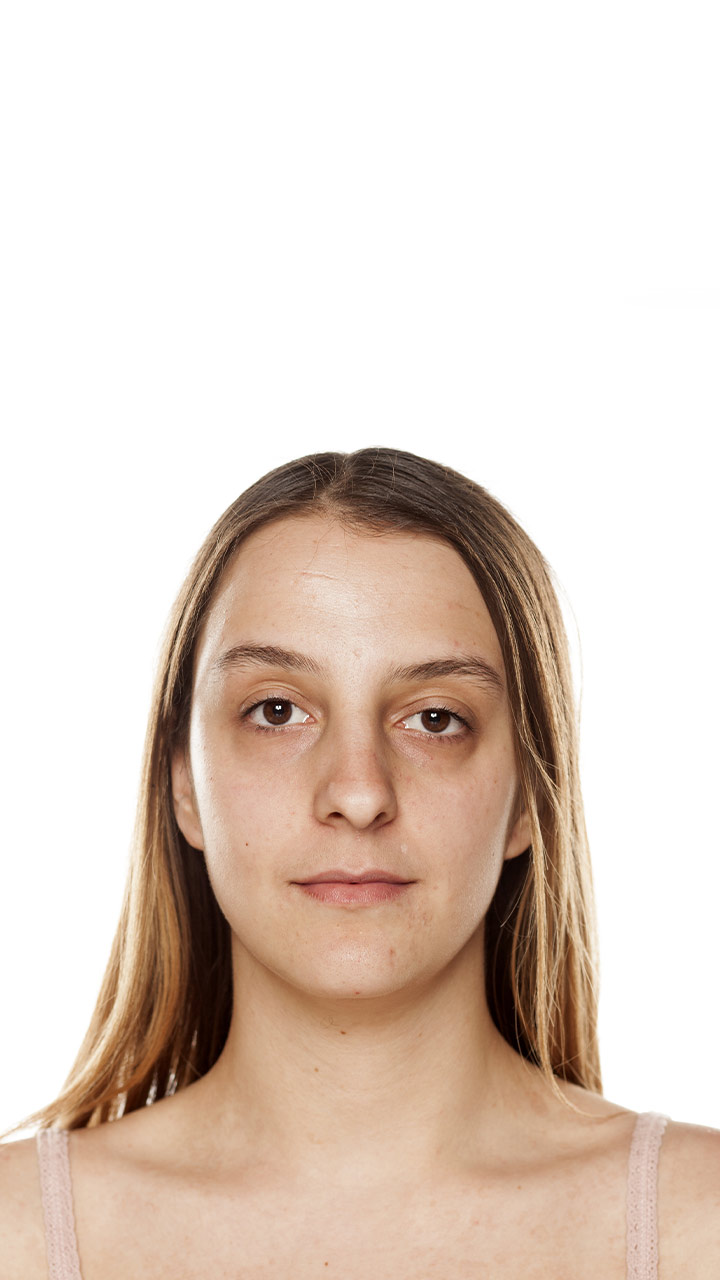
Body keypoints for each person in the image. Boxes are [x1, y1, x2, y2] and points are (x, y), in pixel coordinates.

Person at [1, 447, 717, 1278]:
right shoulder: (17, 1236)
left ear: (528, 796)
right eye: (277, 710)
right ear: (184, 784)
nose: (359, 792)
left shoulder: (698, 1227)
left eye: (436, 719)